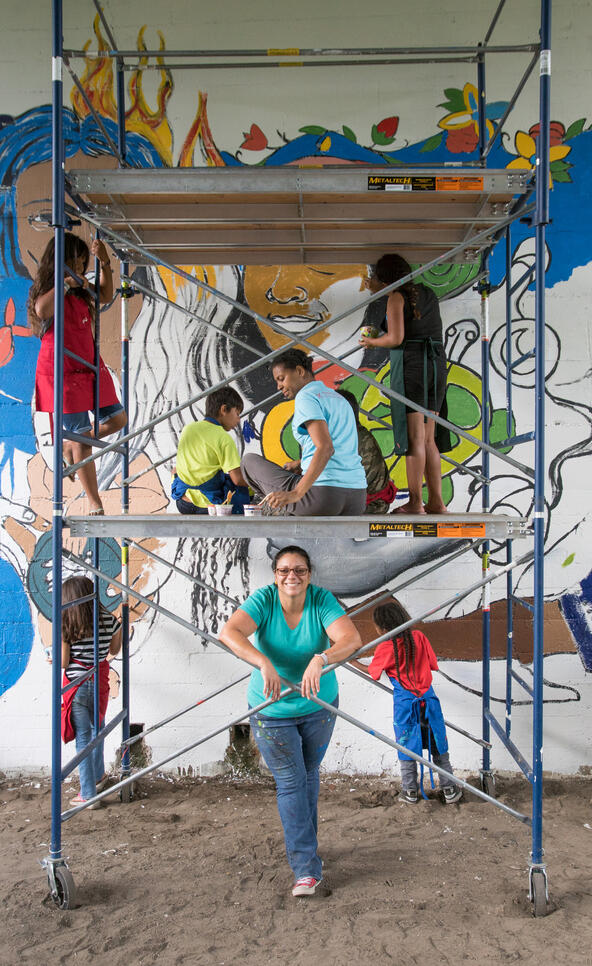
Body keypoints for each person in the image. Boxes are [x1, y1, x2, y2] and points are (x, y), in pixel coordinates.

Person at [219, 545, 362, 897]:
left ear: (309, 574)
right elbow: (230, 633)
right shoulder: (264, 600)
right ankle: (305, 869)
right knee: (291, 782)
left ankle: (308, 853)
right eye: (284, 570)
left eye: (299, 570)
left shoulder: (321, 600)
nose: (291, 576)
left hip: (318, 703)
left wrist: (322, 657)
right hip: (272, 708)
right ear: (275, 575)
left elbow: (352, 639)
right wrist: (262, 661)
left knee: (308, 776)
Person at [28, 232, 127, 515]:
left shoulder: (82, 288)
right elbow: (42, 309)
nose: (83, 266)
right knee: (82, 436)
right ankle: (94, 501)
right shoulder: (51, 288)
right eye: (78, 260)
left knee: (118, 418)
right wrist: (66, 284)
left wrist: (104, 261)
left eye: (85, 261)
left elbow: (106, 294)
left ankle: (73, 442)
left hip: (89, 365)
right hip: (62, 369)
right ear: (62, 261)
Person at [359, 253, 450, 514]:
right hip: (435, 366)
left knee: (414, 440)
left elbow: (396, 338)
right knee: (429, 440)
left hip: (413, 368)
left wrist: (372, 342)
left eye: (374, 276)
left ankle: (414, 503)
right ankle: (436, 502)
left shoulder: (396, 297)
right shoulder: (428, 294)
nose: (370, 280)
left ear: (385, 279)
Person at [350, 599, 461, 804]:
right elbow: (432, 665)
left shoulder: (386, 647)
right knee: (438, 745)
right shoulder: (419, 637)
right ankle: (449, 789)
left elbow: (373, 673)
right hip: (429, 701)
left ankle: (410, 791)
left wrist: (352, 661)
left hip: (405, 706)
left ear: (382, 628)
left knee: (407, 747)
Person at [240, 349, 366, 515]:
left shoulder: (306, 396)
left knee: (249, 462)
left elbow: (326, 447)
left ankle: (280, 510)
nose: (279, 386)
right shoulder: (339, 399)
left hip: (323, 498)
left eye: (281, 379)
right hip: (357, 498)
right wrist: (301, 463)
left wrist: (296, 494)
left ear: (299, 371)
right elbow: (343, 448)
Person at [60, 576, 122, 808]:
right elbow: (113, 650)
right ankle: (98, 777)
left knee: (84, 740)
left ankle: (87, 795)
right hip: (100, 683)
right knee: (98, 732)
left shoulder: (67, 623)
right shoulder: (109, 619)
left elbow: (64, 663)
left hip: (77, 686)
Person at [172, 386, 250, 514]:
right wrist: (259, 483)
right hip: (209, 505)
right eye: (237, 413)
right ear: (224, 409)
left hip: (183, 502)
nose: (238, 419)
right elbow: (237, 479)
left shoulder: (188, 429)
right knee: (241, 487)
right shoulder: (224, 438)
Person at [336, 388, 397, 514]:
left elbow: (350, 483)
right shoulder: (352, 435)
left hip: (372, 505)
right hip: (363, 500)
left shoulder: (355, 439)